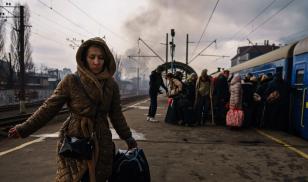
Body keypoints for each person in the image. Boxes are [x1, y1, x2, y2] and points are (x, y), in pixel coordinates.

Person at [8, 37, 137, 182]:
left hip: (102, 141)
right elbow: (48, 108)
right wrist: (23, 128)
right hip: (75, 140)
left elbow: (116, 115)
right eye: (92, 57)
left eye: (100, 58)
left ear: (106, 60)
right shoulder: (71, 81)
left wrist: (128, 136)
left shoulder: (111, 84)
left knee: (99, 176)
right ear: (84, 58)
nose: (96, 62)